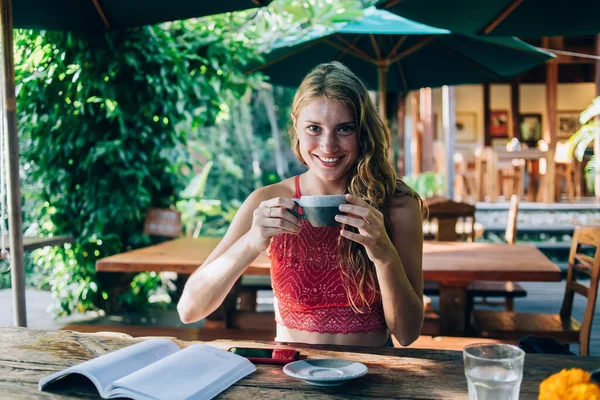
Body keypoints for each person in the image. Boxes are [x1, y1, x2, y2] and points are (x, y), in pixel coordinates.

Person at [177, 61, 424, 347]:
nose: (328, 146)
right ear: (296, 125)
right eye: (314, 128)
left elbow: (407, 334)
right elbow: (189, 309)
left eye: (345, 129)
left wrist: (384, 254)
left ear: (362, 131)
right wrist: (251, 242)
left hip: (373, 372)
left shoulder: (398, 206)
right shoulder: (266, 201)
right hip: (291, 373)